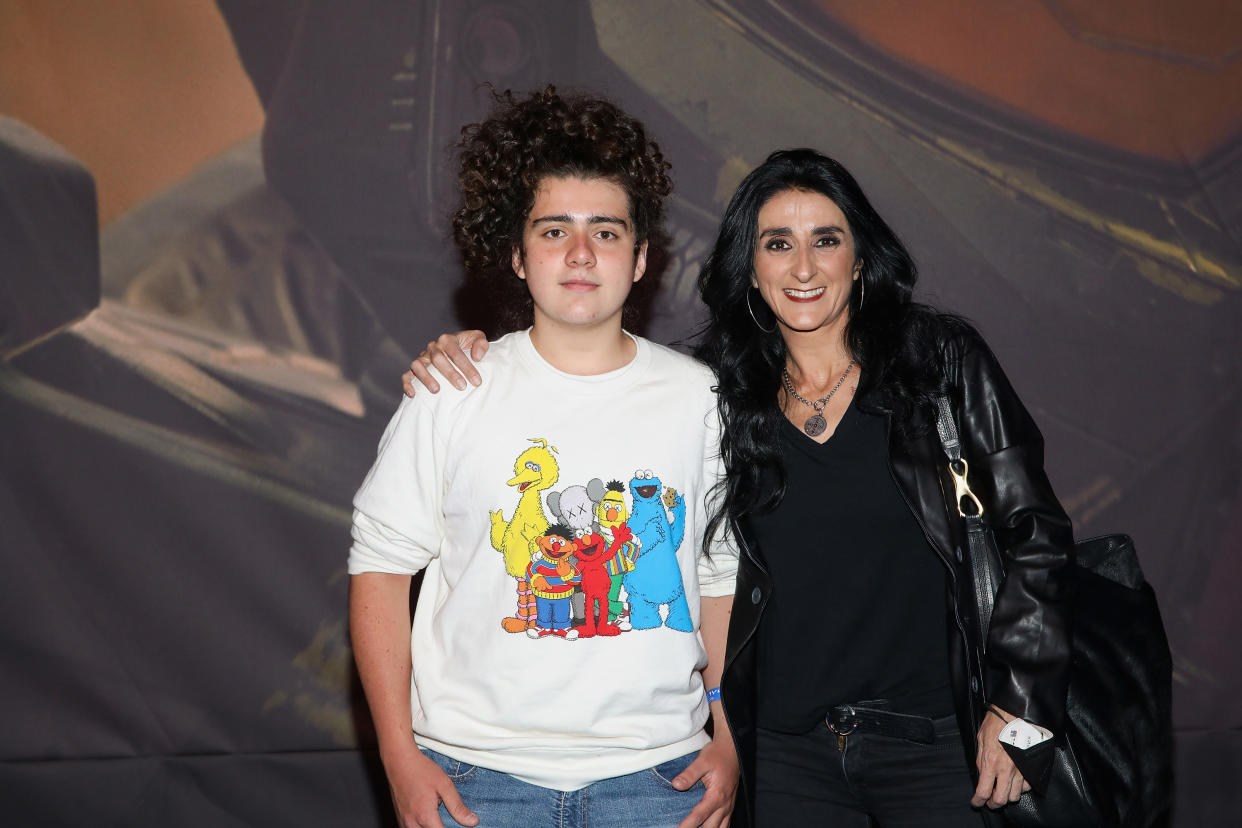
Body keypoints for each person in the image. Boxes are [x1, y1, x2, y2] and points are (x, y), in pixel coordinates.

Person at [406, 149, 1074, 827]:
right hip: (785, 760)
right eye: (777, 244)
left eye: (826, 241)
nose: (803, 267)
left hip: (939, 746)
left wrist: (1022, 711)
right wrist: (465, 359)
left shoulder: (940, 367)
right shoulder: (712, 395)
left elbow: (1037, 536)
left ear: (862, 258)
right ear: (750, 270)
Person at [348, 86, 739, 828]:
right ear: (518, 257)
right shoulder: (448, 391)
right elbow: (379, 568)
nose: (582, 254)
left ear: (643, 256)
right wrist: (398, 759)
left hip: (660, 783)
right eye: (555, 231)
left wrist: (731, 740)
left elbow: (721, 579)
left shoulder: (702, 400)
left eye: (606, 231)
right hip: (472, 784)